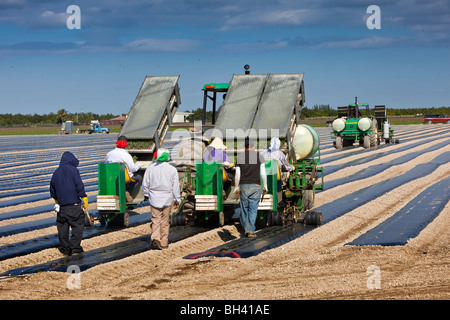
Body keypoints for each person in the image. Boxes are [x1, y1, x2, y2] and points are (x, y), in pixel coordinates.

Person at [50, 151, 88, 256]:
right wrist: (84, 198)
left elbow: (52, 189)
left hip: (62, 207)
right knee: (77, 226)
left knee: (62, 227)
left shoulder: (56, 172)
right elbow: (79, 185)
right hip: (74, 205)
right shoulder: (74, 170)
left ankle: (65, 249)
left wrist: (57, 200)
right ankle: (75, 248)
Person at [142, 148, 181, 250]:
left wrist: (147, 194)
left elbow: (145, 184)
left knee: (155, 220)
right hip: (167, 198)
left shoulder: (150, 168)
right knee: (165, 220)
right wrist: (177, 199)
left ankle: (155, 238)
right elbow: (175, 186)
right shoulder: (172, 169)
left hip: (154, 198)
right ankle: (164, 242)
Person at [234, 139, 268, 238]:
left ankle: (246, 228)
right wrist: (265, 185)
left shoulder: (240, 157)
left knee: (244, 208)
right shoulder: (259, 157)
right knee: (253, 208)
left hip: (244, 185)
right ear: (253, 147)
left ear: (245, 148)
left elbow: (237, 174)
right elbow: (263, 173)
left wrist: (236, 187)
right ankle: (250, 230)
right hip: (256, 186)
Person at [104, 135, 142, 202]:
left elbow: (105, 164)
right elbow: (133, 169)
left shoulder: (109, 154)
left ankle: (121, 192)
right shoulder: (126, 155)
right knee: (138, 178)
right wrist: (139, 165)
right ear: (125, 145)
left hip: (111, 177)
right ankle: (127, 193)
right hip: (124, 177)